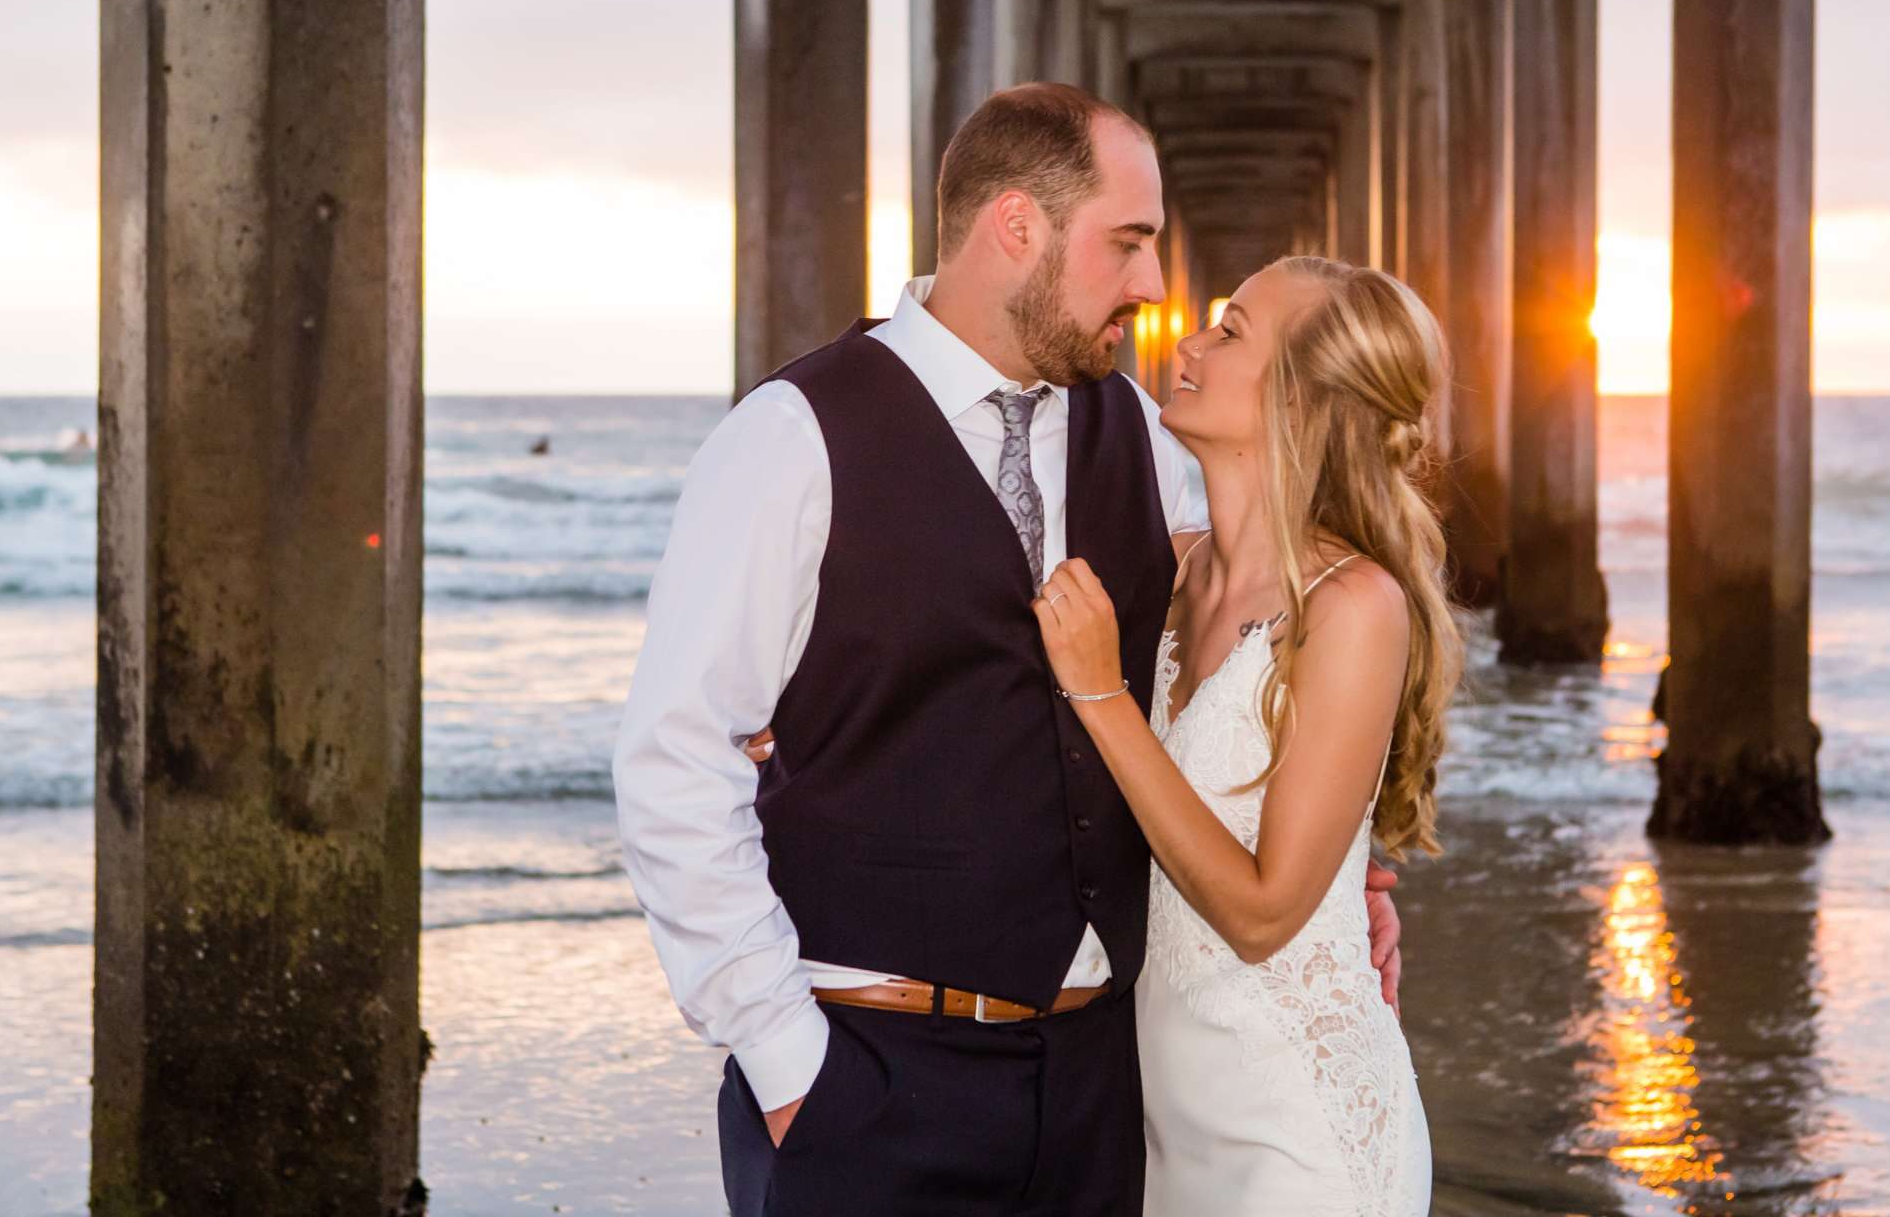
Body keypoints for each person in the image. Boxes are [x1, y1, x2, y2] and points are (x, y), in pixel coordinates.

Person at [610, 84, 1400, 1216]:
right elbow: (675, 762)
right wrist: (790, 1067)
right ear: (1017, 225)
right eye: (1128, 243)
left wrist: (1346, 874)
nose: (1152, 286)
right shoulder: (790, 441)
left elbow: (1268, 646)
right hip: (869, 1082)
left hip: (1102, 1095)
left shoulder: (1137, 432)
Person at [1032, 255, 1460, 1216]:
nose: (1186, 343)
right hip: (1162, 1125)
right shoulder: (1167, 578)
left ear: (1304, 398)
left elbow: (1267, 917)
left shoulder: (1353, 606)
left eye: (1229, 332)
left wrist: (1105, 697)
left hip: (1294, 1135)